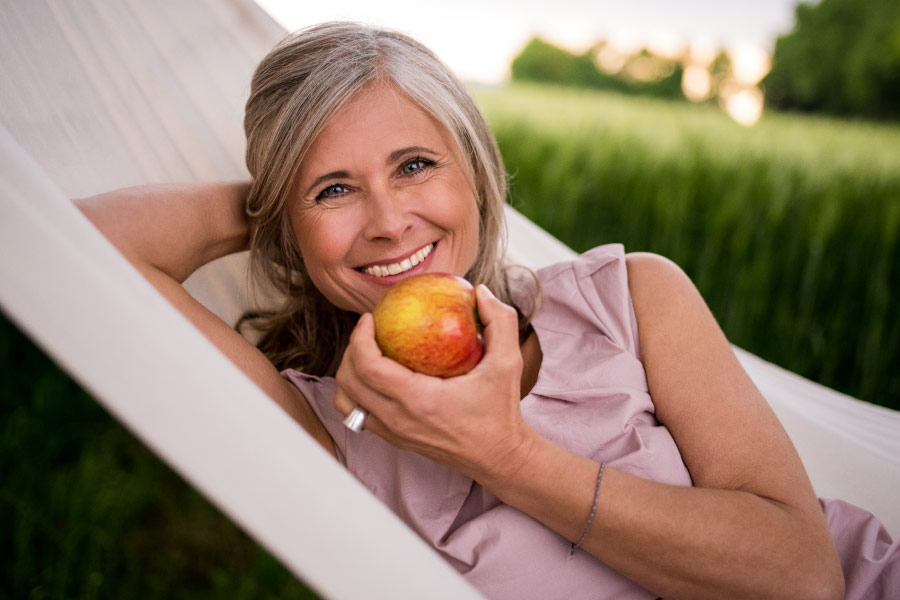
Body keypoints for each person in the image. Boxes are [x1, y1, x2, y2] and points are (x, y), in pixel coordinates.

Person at [76, 21, 897, 600]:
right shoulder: (322, 432)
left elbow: (803, 576)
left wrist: (506, 455)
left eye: (415, 165)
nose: (390, 220)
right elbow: (72, 245)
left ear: (476, 169)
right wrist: (281, 209)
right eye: (336, 189)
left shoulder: (631, 301)